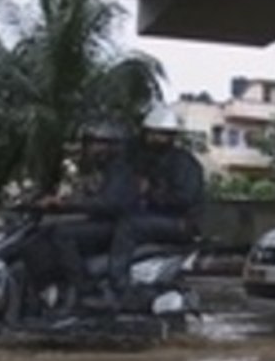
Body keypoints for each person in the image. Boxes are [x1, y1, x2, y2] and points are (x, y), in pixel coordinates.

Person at [34, 121, 141, 311]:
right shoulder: (106, 171)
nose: (88, 149)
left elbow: (108, 204)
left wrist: (66, 204)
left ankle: (84, 290)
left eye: (93, 144)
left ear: (111, 146)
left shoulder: (120, 171)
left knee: (62, 234)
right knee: (46, 232)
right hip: (107, 222)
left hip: (117, 226)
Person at [105, 104, 205, 302]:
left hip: (181, 222)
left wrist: (150, 193)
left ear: (171, 136)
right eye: (152, 134)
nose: (155, 139)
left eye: (161, 135)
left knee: (129, 226)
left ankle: (118, 284)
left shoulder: (183, 163)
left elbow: (184, 199)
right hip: (159, 218)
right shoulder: (146, 159)